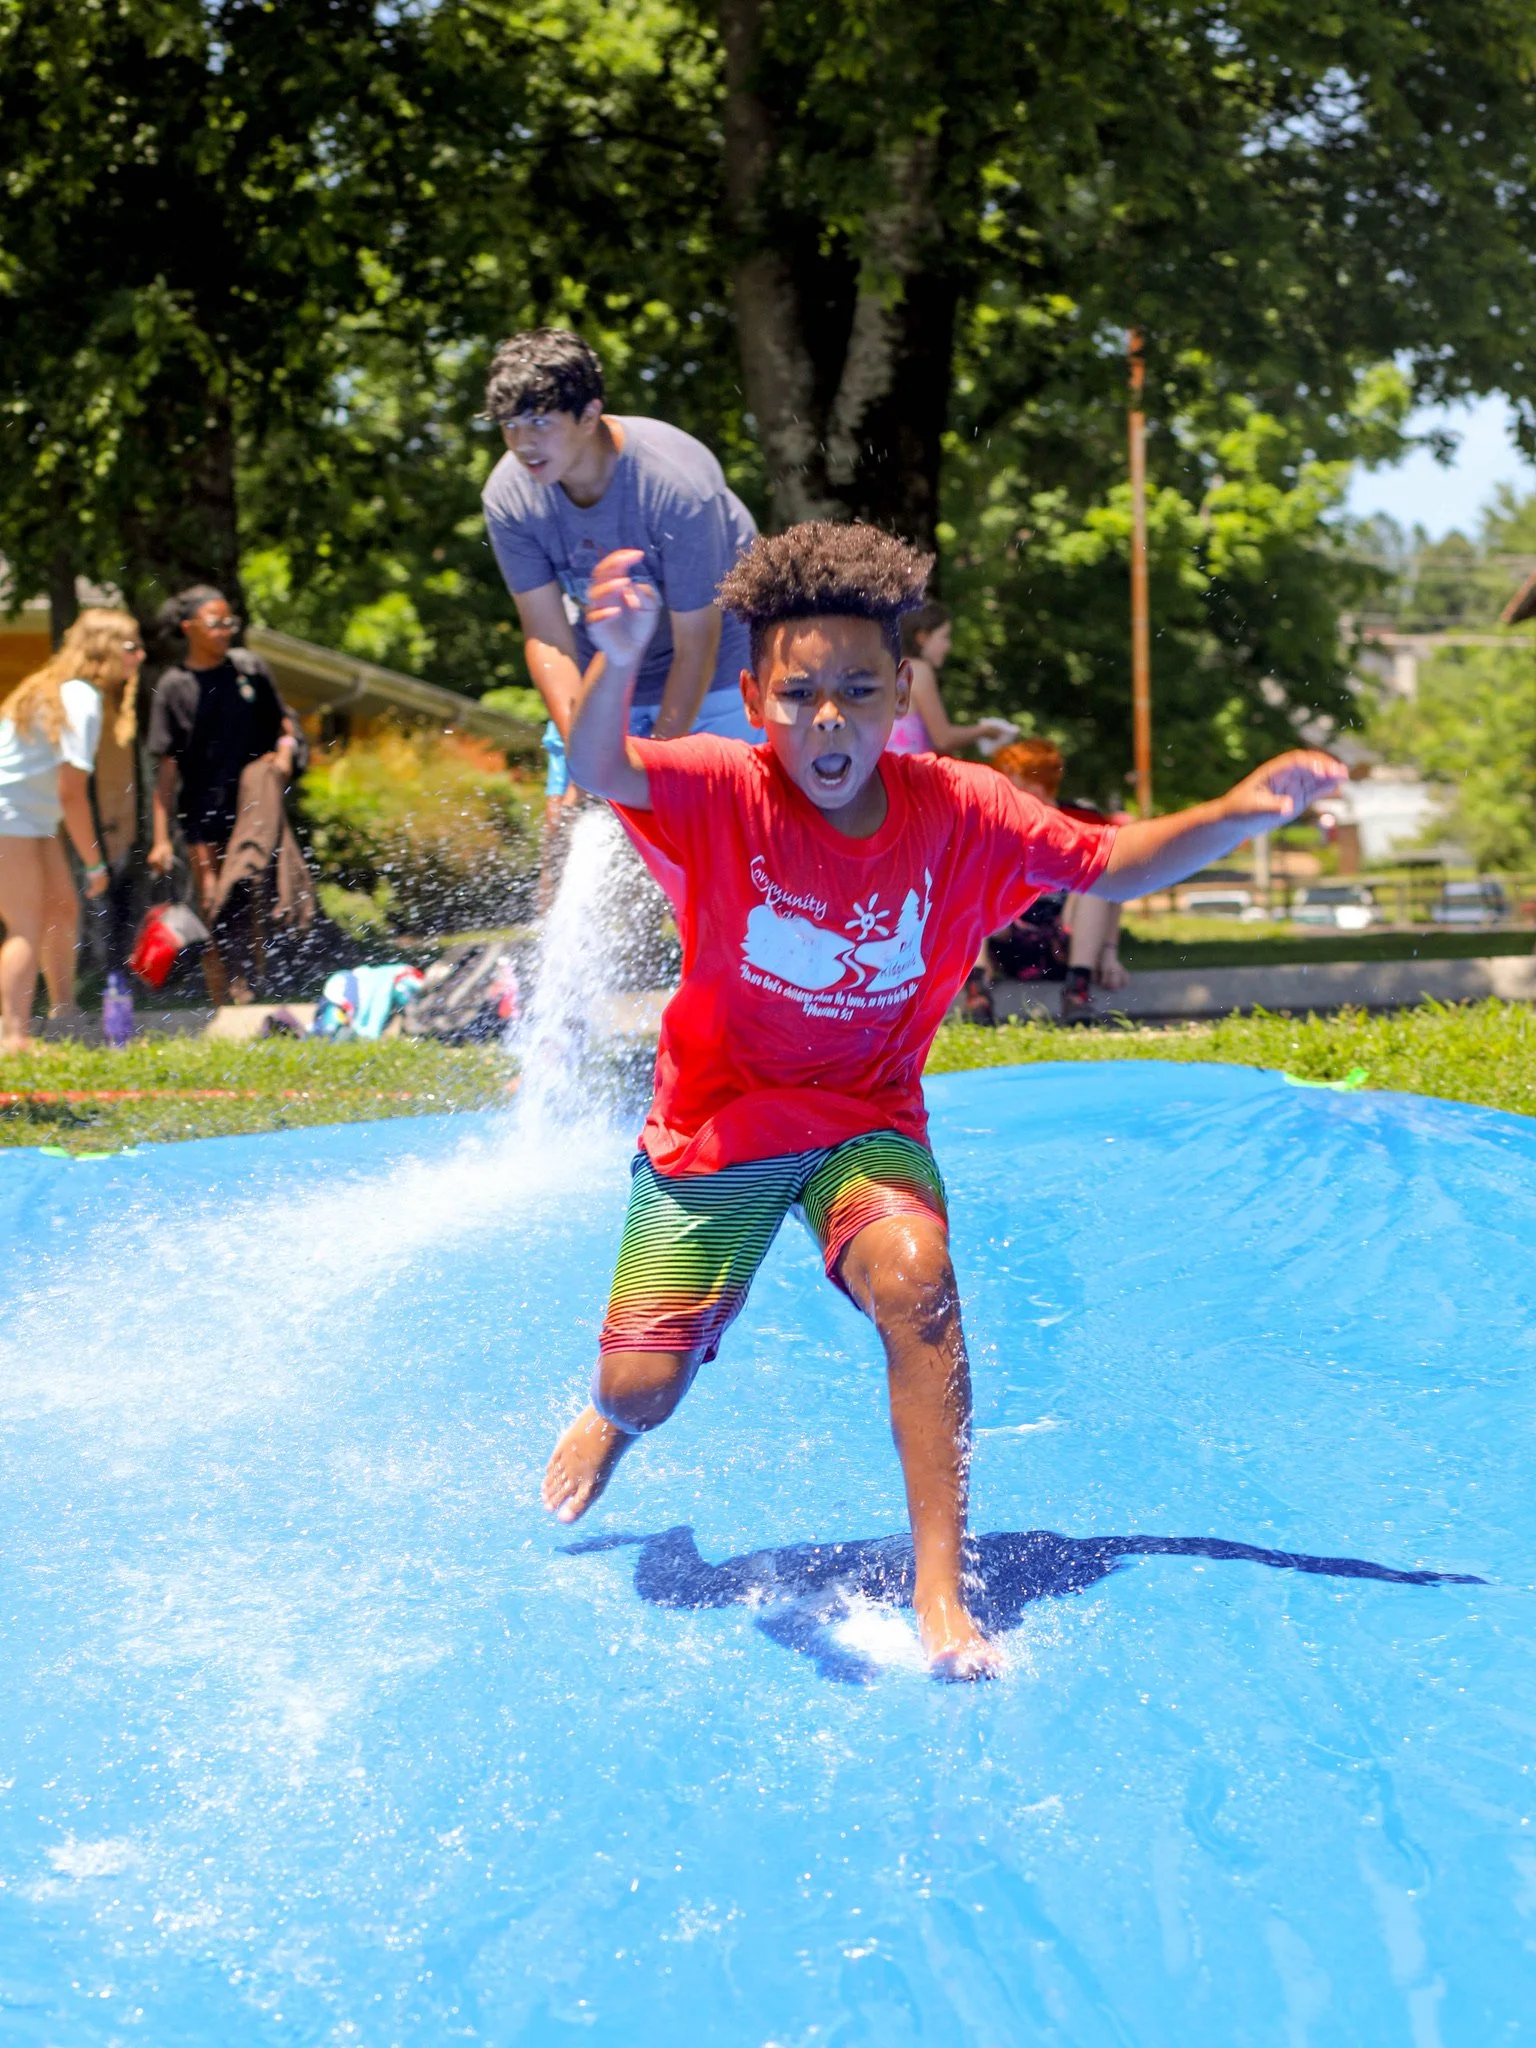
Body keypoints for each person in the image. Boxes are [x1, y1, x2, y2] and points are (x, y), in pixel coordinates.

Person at [537, 522, 1346, 1679]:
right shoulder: (721, 788)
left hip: (864, 1117)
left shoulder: (962, 809)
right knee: (646, 1389)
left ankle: (940, 1586)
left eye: (859, 691)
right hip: (718, 1121)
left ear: (902, 690)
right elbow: (601, 766)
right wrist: (616, 659)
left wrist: (1244, 810)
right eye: (801, 692)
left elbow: (1111, 861)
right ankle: (612, 1421)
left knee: (918, 1278)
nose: (830, 720)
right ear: (757, 695)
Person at [480, 328, 758, 747]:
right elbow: (547, 636)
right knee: (576, 805)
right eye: (510, 425)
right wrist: (583, 755)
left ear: (589, 416)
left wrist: (657, 767)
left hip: (720, 674)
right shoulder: (509, 497)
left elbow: (698, 642)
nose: (523, 444)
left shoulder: (675, 486)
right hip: (606, 671)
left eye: (539, 422)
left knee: (684, 805)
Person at [146, 585, 307, 1005]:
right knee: (216, 899)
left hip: (255, 806)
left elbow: (284, 725)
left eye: (229, 622)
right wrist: (161, 838)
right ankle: (226, 995)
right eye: (215, 623)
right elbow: (166, 773)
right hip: (204, 812)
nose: (224, 631)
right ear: (189, 627)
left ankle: (253, 987)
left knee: (256, 894)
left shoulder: (249, 670)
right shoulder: (175, 686)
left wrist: (286, 753)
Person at [0, 609, 139, 1051]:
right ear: (105, 652)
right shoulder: (80, 697)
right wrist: (95, 862)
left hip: (30, 818)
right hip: (9, 814)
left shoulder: (57, 689)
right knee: (24, 925)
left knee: (61, 908)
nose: (140, 655)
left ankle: (63, 1014)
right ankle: (13, 1036)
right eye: (131, 646)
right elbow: (71, 792)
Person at [964, 737, 1130, 1026]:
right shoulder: (995, 823)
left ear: (1037, 784)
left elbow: (1114, 887)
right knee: (972, 876)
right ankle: (977, 987)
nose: (1004, 791)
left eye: (1014, 782)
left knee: (1097, 878)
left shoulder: (1081, 819)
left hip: (1066, 937)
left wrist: (1109, 954)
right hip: (1011, 935)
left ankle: (1077, 990)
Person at [885, 602, 1015, 757]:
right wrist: (986, 731)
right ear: (922, 638)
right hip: (905, 778)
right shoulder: (918, 670)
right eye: (944, 637)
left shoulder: (891, 666)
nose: (948, 646)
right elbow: (943, 740)